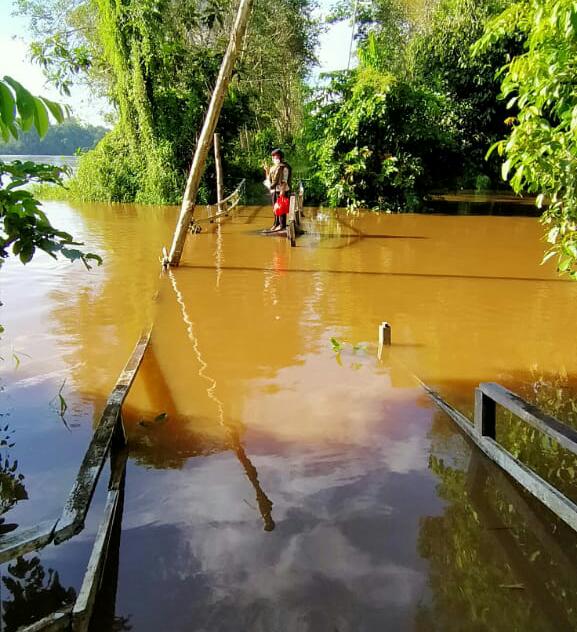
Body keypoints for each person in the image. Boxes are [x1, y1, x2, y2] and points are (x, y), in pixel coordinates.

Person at [263, 148, 291, 232]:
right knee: (275, 209)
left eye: (276, 157)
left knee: (281, 208)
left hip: (281, 191)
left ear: (280, 157)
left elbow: (284, 182)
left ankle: (282, 225)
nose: (274, 159)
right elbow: (269, 179)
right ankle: (276, 224)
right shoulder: (273, 168)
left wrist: (282, 194)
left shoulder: (284, 168)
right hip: (274, 191)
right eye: (273, 157)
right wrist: (267, 170)